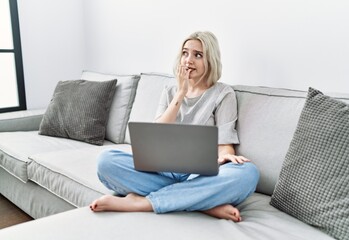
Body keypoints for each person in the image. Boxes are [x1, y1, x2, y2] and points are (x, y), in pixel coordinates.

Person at [90, 31, 259, 222]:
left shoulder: (223, 93)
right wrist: (180, 93)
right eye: (185, 53)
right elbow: (156, 136)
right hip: (162, 169)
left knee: (248, 173)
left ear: (210, 60)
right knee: (106, 161)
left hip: (200, 174)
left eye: (198, 55)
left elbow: (225, 144)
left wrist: (226, 156)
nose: (188, 60)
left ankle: (143, 202)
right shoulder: (170, 90)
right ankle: (203, 203)